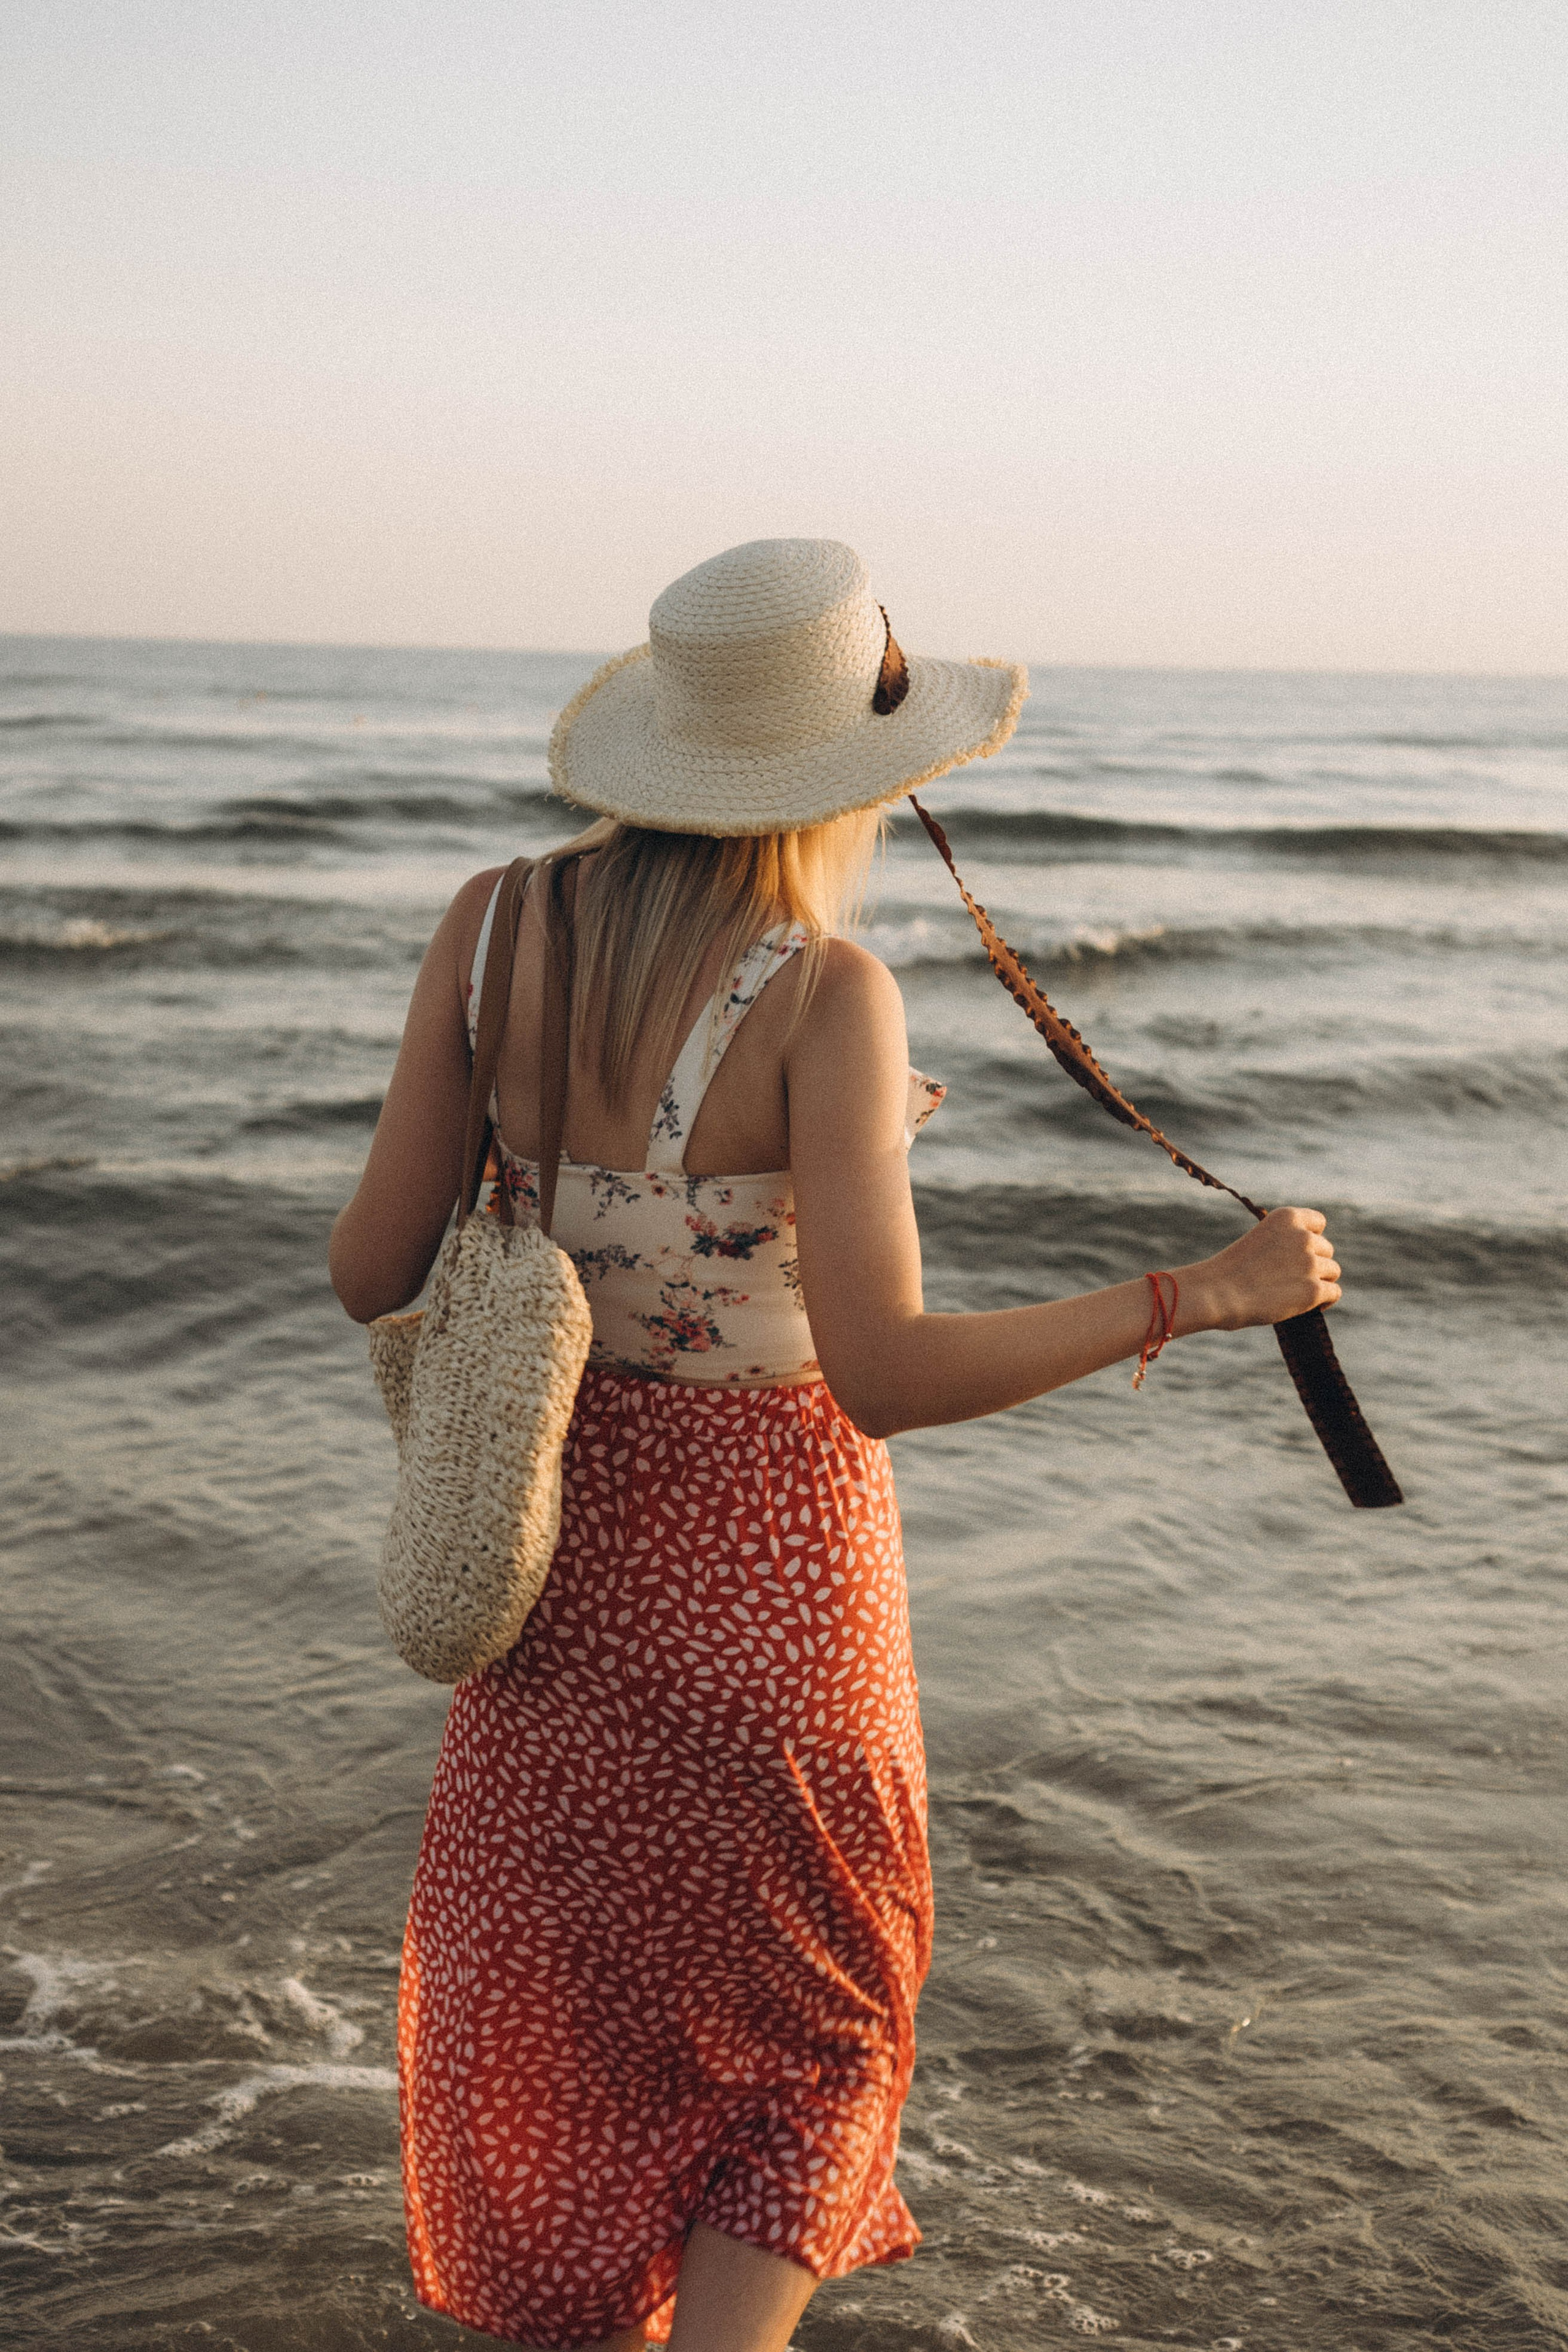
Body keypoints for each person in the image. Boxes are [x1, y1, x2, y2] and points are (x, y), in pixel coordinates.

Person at [329, 540, 1341, 2352]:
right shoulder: (826, 995)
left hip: (555, 1596)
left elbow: (364, 1267)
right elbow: (884, 1372)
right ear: (847, 773)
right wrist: (1196, 1293)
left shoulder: (488, 923)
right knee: (817, 2053)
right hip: (782, 1602)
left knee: (581, 2048)